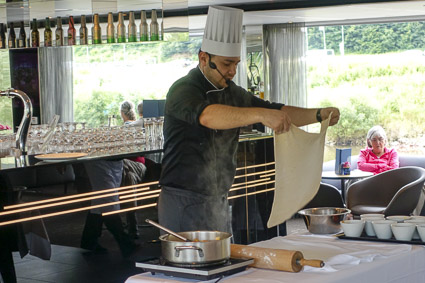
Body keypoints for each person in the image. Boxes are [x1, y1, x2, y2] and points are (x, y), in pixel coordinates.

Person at [158, 6, 340, 233]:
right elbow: (207, 116)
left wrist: (318, 114)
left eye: (236, 64)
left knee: (221, 262)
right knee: (186, 265)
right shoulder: (183, 89)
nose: (233, 71)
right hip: (183, 198)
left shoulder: (232, 91)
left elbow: (277, 110)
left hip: (219, 196)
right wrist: (261, 115)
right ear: (204, 58)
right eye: (226, 64)